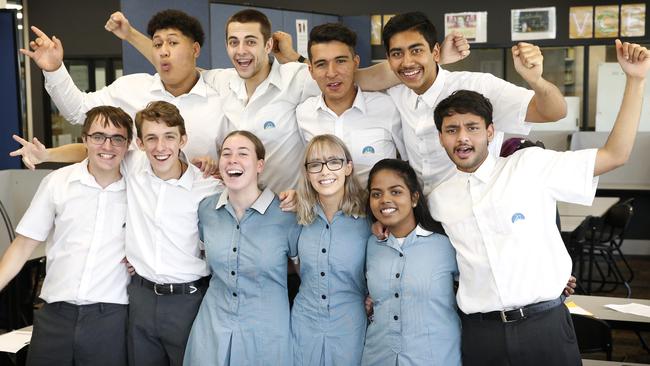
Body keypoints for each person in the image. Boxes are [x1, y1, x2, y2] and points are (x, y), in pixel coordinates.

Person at [428, 40, 649, 366]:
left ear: (490, 132)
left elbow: (615, 155)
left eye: (472, 127)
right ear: (440, 138)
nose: (462, 137)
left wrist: (635, 80)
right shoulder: (438, 198)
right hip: (480, 333)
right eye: (452, 129)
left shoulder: (528, 165)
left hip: (543, 325)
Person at [106, 8, 470, 192]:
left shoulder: (302, 80)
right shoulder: (221, 81)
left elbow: (363, 77)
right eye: (234, 42)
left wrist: (435, 62)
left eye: (251, 41)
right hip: (254, 205)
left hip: (337, 208)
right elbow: (174, 61)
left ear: (266, 44)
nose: (332, 73)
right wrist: (131, 35)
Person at [11, 101, 224, 366]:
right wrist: (47, 155)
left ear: (183, 139)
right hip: (136, 299)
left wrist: (288, 198)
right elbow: (94, 149)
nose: (160, 147)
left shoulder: (208, 186)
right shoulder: (133, 166)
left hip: (183, 300)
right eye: (151, 139)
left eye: (169, 137)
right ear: (141, 144)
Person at [0, 106, 133, 366]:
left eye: (117, 138)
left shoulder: (140, 189)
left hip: (111, 318)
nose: (108, 145)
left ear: (128, 145)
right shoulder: (57, 182)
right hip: (55, 315)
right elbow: (24, 245)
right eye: (98, 136)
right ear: (84, 140)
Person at [380, 11, 567, 194]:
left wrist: (536, 80)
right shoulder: (397, 94)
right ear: (388, 60)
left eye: (417, 50)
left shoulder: (478, 86)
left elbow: (554, 112)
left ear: (435, 51)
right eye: (397, 54)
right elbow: (355, 78)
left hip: (479, 210)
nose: (407, 62)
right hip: (427, 215)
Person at [21, 9, 226, 173]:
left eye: (172, 42)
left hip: (199, 213)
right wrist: (54, 70)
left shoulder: (220, 101)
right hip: (136, 212)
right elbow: (78, 111)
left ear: (195, 49)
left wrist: (217, 168)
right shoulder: (131, 88)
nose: (163, 51)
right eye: (157, 44)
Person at [183, 130, 300, 366]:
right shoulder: (206, 210)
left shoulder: (287, 214)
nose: (232, 159)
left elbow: (305, 273)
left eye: (242, 153)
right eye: (226, 154)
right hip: (212, 329)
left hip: (267, 334)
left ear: (259, 165)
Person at [363, 158, 460, 365]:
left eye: (396, 191)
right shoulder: (370, 245)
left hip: (436, 357)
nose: (385, 200)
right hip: (378, 357)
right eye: (376, 194)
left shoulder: (446, 244)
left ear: (414, 197)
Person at [292, 134, 369, 365]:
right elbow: (293, 265)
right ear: (307, 173)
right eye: (315, 165)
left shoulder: (368, 217)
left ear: (348, 167)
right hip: (304, 324)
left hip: (351, 325)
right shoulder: (296, 217)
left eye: (334, 162)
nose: (325, 171)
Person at [296, 23, 405, 186]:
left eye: (340, 61)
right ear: (311, 70)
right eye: (321, 64)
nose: (331, 73)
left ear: (356, 63)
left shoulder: (387, 107)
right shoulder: (303, 114)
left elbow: (408, 163)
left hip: (376, 210)